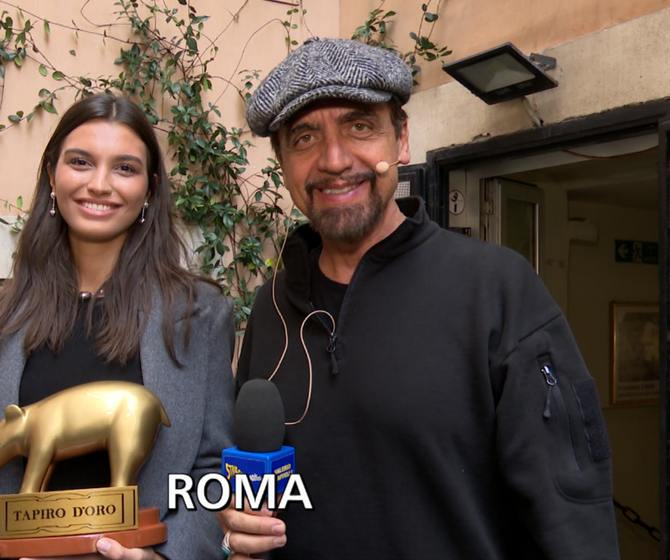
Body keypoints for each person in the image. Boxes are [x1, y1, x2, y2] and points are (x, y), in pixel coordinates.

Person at [218, 37, 619, 559]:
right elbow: (254, 491)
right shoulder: (271, 307)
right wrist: (234, 522)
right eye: (305, 138)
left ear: (401, 140)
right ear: (282, 164)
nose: (334, 160)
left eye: (360, 126)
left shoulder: (495, 289)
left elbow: (573, 516)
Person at [0, 93, 235, 560]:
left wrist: (165, 556)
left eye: (125, 168)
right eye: (80, 162)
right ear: (52, 176)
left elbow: (211, 474)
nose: (99, 184)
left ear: (149, 189)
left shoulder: (200, 316)